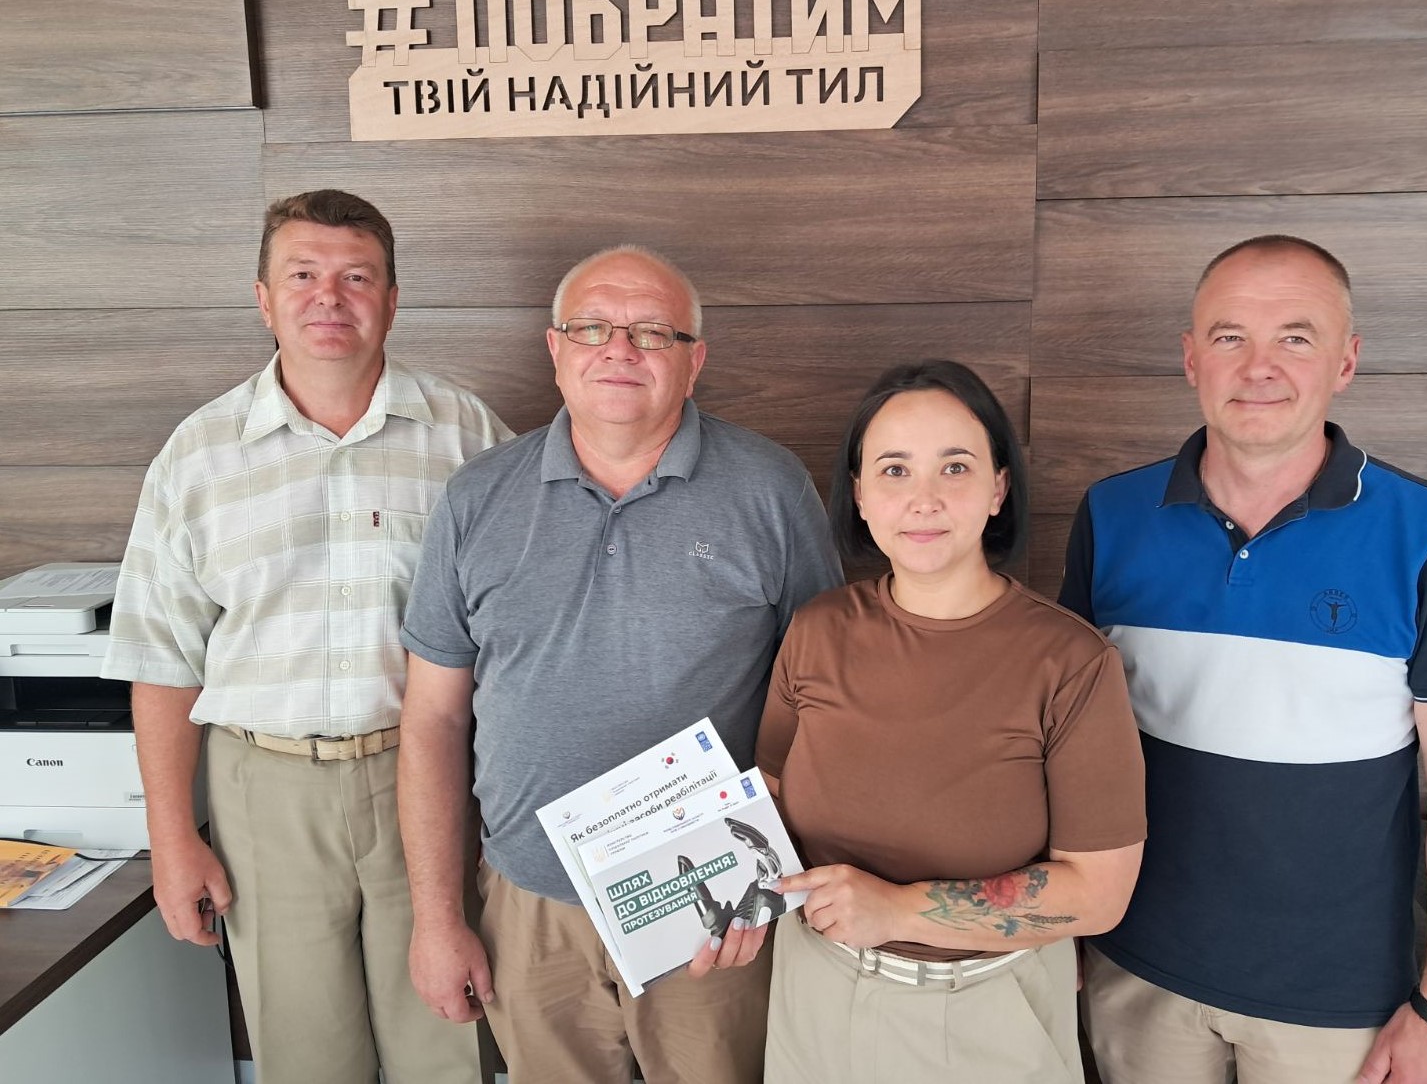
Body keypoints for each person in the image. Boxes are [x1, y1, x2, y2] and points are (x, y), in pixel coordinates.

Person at [1060, 235, 1427, 1084]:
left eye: (1295, 338)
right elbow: (1066, 750)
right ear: (1190, 358)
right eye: (1229, 336)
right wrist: (1064, 929)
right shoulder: (1111, 515)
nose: (1258, 366)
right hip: (1133, 971)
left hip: (1338, 1002)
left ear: (1345, 361)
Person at [397, 245, 843, 1084]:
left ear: (694, 359)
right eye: (592, 328)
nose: (619, 349)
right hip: (528, 904)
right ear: (554, 348)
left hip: (710, 899)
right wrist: (436, 918)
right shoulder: (475, 497)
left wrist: (763, 875)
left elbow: (824, 701)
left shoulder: (770, 488)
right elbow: (432, 718)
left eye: (652, 332)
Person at [102, 189, 511, 1084]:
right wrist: (171, 837)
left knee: (444, 1041)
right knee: (303, 1055)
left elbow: (521, 630)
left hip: (428, 780)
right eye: (302, 276)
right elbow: (162, 657)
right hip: (264, 790)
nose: (329, 297)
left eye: (356, 277)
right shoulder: (198, 454)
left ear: (392, 300)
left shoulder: (468, 437)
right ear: (263, 298)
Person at [758, 359, 1147, 1084]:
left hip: (987, 1014)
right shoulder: (815, 630)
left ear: (998, 488)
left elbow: (1100, 893)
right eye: (895, 470)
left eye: (956, 467)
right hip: (812, 993)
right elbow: (768, 801)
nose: (924, 499)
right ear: (859, 494)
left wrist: (897, 911)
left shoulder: (1070, 661)